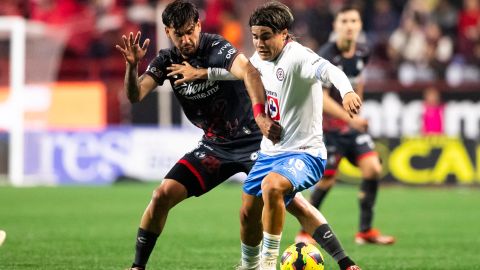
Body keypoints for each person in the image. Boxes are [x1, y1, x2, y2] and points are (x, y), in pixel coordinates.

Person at [116, 1, 360, 269]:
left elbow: (249, 71)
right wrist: (132, 67)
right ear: (167, 31)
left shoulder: (217, 46)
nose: (185, 40)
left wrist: (260, 115)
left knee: (287, 199)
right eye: (178, 34)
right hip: (214, 146)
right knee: (163, 194)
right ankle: (138, 266)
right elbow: (135, 95)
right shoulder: (166, 60)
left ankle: (343, 261)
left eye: (189, 31)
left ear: (198, 25)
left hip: (254, 139)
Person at [295, 5, 395, 246]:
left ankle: (365, 231)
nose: (349, 26)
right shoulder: (327, 55)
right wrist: (352, 118)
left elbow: (358, 81)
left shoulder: (362, 51)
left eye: (354, 21)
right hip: (327, 129)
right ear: (336, 26)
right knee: (327, 179)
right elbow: (322, 98)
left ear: (360, 25)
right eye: (345, 21)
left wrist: (356, 108)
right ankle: (305, 232)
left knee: (372, 168)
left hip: (348, 127)